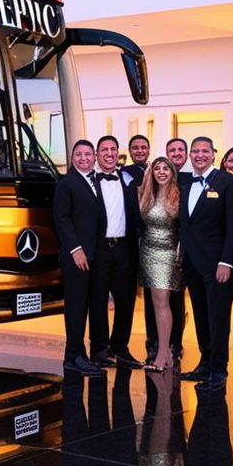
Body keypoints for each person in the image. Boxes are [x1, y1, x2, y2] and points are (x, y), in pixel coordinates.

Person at [178, 137, 233, 389]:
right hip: (192, 262)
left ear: (214, 154)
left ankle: (219, 367)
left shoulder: (229, 183)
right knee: (200, 314)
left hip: (218, 264)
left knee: (218, 316)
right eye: (195, 151)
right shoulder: (184, 183)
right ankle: (205, 362)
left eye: (205, 151)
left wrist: (227, 261)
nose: (199, 155)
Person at [53, 139, 106, 376]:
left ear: (94, 156)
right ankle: (73, 355)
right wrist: (76, 249)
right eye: (79, 154)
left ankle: (84, 354)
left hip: (95, 254)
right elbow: (62, 218)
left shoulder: (96, 180)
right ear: (73, 157)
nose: (83, 158)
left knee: (89, 303)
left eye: (87, 154)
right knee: (75, 305)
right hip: (77, 256)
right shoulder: (67, 183)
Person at [89, 136, 143, 368]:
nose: (109, 153)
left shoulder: (129, 179)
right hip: (100, 247)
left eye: (113, 149)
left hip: (124, 247)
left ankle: (120, 347)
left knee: (126, 300)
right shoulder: (89, 181)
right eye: (104, 150)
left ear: (118, 153)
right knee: (98, 300)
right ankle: (99, 349)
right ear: (97, 154)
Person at [138, 157, 182, 371]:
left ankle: (165, 352)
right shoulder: (146, 194)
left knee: (164, 303)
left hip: (169, 254)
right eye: (157, 168)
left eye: (166, 168)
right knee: (157, 303)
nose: (162, 172)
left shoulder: (179, 194)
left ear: (172, 172)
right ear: (152, 172)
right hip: (148, 252)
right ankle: (164, 352)